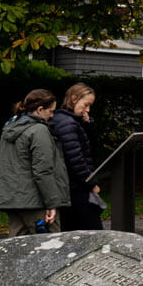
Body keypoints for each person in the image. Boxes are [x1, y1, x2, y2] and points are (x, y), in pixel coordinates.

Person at [0, 89, 71, 237]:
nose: (52, 115)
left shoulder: (10, 127)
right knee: (50, 245)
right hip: (35, 200)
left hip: (14, 199)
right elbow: (43, 171)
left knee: (17, 247)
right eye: (51, 111)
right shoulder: (39, 130)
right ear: (40, 109)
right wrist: (52, 204)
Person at [48, 82, 103, 231]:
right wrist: (91, 184)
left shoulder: (68, 121)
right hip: (75, 187)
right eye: (85, 105)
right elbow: (76, 159)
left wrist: (88, 124)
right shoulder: (68, 123)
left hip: (71, 186)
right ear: (73, 99)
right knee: (92, 231)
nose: (88, 110)